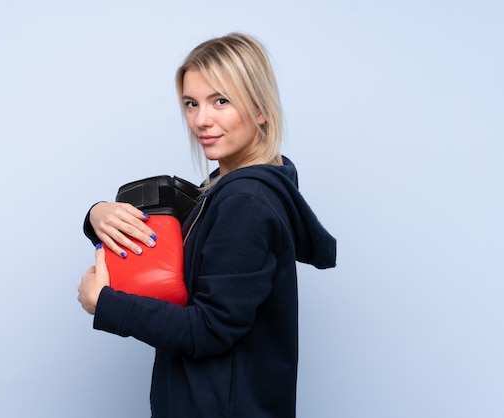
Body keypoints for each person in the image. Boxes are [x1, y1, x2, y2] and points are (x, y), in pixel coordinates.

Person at [77, 32, 336, 418]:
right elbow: (169, 236)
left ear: (261, 109)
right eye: (191, 103)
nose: (201, 120)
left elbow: (210, 329)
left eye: (221, 101)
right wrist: (98, 214)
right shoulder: (229, 189)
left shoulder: (244, 202)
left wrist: (106, 305)